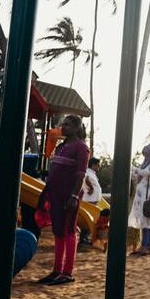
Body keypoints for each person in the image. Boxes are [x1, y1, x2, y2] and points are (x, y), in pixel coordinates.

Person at [35, 114, 90, 285]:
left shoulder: (81, 148)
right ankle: (56, 269)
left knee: (68, 230)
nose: (63, 127)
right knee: (58, 231)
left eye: (67, 125)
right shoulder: (60, 147)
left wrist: (74, 196)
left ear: (76, 128)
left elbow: (81, 175)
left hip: (68, 196)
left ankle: (67, 272)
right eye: (62, 124)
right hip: (55, 195)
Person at [129, 144, 150, 256]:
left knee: (148, 221)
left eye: (146, 154)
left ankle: (147, 246)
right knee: (144, 221)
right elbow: (137, 176)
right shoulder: (146, 165)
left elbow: (144, 172)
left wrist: (133, 168)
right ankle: (145, 246)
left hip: (148, 196)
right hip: (142, 196)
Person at [78, 156, 102, 247]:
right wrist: (91, 188)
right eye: (98, 165)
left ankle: (85, 237)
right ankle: (83, 238)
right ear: (93, 165)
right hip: (90, 199)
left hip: (93, 199)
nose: (99, 167)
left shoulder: (92, 173)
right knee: (88, 219)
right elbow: (86, 179)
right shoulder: (88, 172)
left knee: (91, 219)